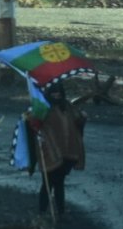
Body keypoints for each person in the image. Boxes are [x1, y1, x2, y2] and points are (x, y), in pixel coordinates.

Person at [30, 81, 87, 217]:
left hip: (66, 152)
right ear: (49, 92)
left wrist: (83, 118)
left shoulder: (67, 106)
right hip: (48, 151)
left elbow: (76, 122)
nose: (57, 94)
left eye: (59, 92)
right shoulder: (42, 107)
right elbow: (33, 124)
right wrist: (33, 122)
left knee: (60, 183)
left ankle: (60, 212)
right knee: (47, 184)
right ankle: (42, 212)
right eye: (54, 92)